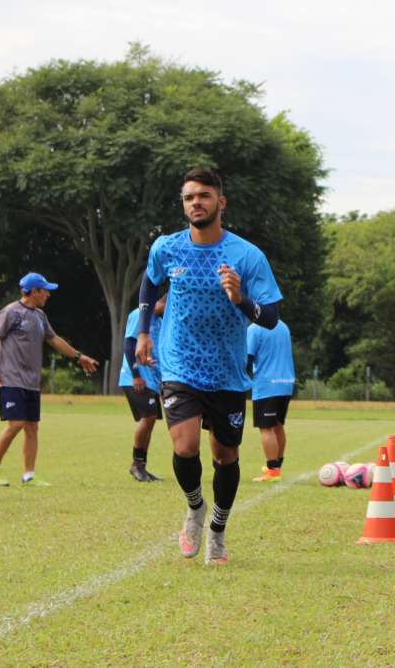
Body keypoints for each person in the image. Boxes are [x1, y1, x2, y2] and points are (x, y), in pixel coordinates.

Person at [136, 167, 282, 565]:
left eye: (203, 195)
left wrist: (240, 299)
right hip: (180, 365)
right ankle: (195, 508)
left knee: (225, 457)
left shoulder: (246, 256)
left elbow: (269, 316)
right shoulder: (167, 248)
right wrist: (145, 332)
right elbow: (150, 284)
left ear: (221, 202)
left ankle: (217, 528)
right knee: (184, 446)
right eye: (188, 197)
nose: (195, 203)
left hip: (227, 372)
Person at [0, 272, 99, 487]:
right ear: (34, 291)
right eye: (45, 290)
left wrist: (79, 356)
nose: (48, 294)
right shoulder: (10, 312)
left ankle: (29, 475)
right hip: (10, 378)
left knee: (31, 427)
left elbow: (54, 340)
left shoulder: (39, 316)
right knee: (16, 423)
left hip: (31, 382)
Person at [119, 293, 168, 481]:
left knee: (151, 419)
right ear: (161, 302)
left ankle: (141, 466)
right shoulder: (140, 315)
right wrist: (136, 375)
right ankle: (136, 465)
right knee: (148, 417)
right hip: (136, 378)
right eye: (167, 307)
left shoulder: (160, 322)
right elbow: (129, 344)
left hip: (153, 380)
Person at [246, 319, 296, 482]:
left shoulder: (255, 329)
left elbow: (247, 359)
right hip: (286, 383)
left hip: (267, 385)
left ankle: (272, 471)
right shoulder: (283, 326)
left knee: (266, 428)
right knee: (277, 425)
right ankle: (276, 466)